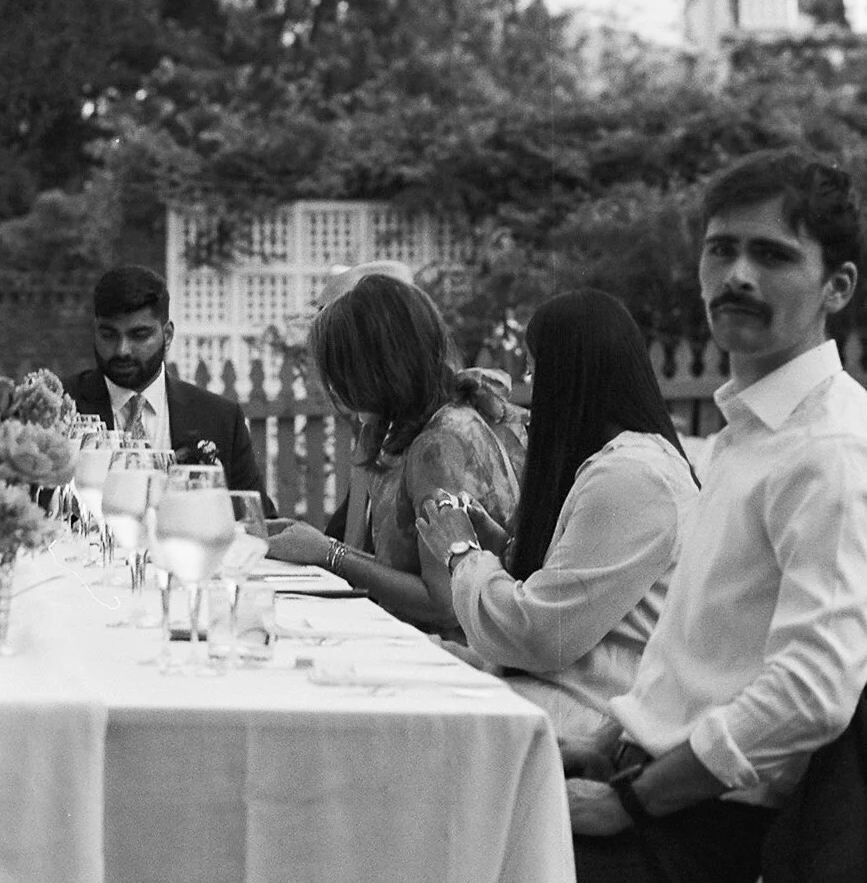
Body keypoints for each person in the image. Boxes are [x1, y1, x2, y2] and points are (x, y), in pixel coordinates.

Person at [561, 149, 867, 883]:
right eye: (720, 249)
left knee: (441, 878)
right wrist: (612, 739)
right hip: (671, 802)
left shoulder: (830, 452)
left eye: (773, 254)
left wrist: (629, 801)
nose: (737, 274)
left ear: (838, 286)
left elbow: (810, 692)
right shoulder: (752, 434)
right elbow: (713, 647)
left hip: (723, 846)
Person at [416, 288, 701, 743]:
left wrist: (462, 553)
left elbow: (543, 635)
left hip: (594, 716)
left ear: (569, 376)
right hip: (563, 694)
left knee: (417, 716)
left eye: (534, 369)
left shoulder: (632, 476)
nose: (530, 388)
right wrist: (500, 551)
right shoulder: (622, 466)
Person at [266, 270, 525, 627]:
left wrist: (329, 554)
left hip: (458, 659)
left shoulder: (436, 448)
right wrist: (308, 543)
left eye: (340, 371)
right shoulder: (445, 418)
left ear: (378, 368)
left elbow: (445, 603)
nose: (333, 388)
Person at [66, 264, 266, 495]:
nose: (122, 350)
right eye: (109, 335)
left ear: (167, 335)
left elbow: (255, 518)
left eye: (139, 335)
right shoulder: (61, 407)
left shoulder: (220, 418)